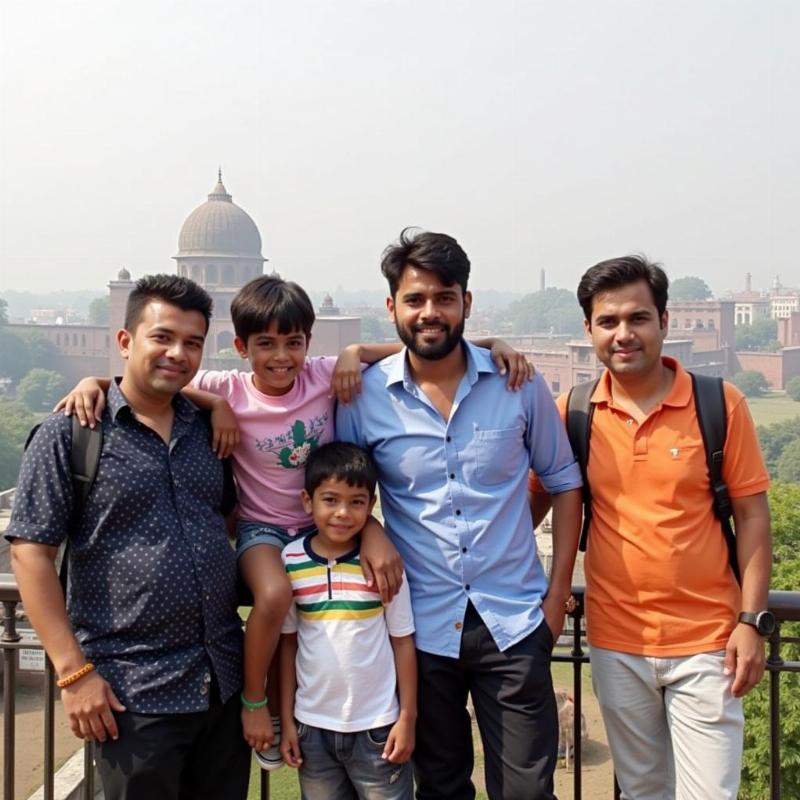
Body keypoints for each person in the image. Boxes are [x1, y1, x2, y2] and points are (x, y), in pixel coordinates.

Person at [58, 273, 531, 771]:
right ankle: (258, 703)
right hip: (263, 529)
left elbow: (421, 346)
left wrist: (489, 342)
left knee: (365, 607)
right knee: (278, 596)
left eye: (293, 343)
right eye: (266, 344)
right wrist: (101, 382)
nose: (281, 356)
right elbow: (149, 381)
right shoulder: (226, 387)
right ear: (241, 347)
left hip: (323, 530)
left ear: (307, 342)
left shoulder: (323, 376)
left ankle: (359, 715)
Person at [336, 228, 584, 800]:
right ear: (391, 307)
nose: (430, 312)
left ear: (467, 304)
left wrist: (556, 596)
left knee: (526, 791)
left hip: (515, 622)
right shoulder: (364, 395)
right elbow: (343, 493)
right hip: (421, 627)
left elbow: (566, 482)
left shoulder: (516, 383)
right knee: (442, 788)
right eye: (415, 299)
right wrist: (371, 529)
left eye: (444, 298)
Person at [530, 255, 773, 800]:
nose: (624, 334)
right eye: (608, 322)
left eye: (638, 318)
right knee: (642, 793)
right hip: (618, 642)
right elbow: (528, 507)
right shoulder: (573, 414)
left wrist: (751, 621)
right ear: (588, 330)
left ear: (664, 322)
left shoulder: (718, 404)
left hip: (709, 641)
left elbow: (753, 516)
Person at [7, 275, 251, 800]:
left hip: (220, 682)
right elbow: (30, 552)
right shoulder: (73, 434)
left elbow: (226, 522)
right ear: (125, 341)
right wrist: (73, 674)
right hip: (133, 693)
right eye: (161, 337)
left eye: (191, 342)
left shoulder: (207, 433)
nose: (177, 353)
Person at [279, 442, 416, 800]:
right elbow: (289, 644)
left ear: (370, 506)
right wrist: (288, 721)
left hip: (378, 729)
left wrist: (407, 717)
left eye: (356, 502)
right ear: (307, 501)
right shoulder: (291, 560)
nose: (342, 512)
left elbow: (403, 641)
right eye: (330, 500)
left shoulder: (383, 564)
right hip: (313, 728)